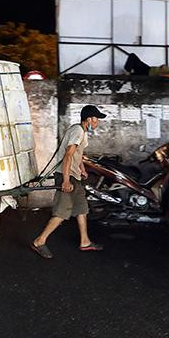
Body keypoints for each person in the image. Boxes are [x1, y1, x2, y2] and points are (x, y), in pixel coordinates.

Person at [31, 105, 106, 259]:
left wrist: (82, 169)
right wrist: (65, 180)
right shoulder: (78, 131)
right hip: (67, 176)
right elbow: (68, 155)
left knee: (82, 208)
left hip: (74, 176)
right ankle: (39, 241)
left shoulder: (82, 131)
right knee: (62, 212)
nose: (97, 122)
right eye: (96, 119)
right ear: (89, 119)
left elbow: (78, 154)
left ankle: (85, 242)